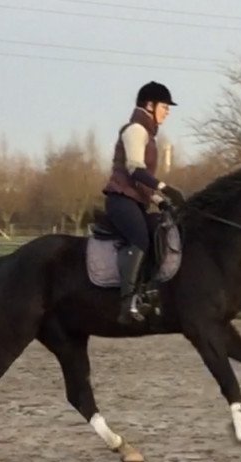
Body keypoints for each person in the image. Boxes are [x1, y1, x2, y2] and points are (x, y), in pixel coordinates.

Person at [102, 81, 185, 325]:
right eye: (165, 107)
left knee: (159, 231)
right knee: (140, 238)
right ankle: (127, 303)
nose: (167, 112)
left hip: (135, 200)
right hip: (120, 199)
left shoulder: (148, 136)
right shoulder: (136, 130)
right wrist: (165, 188)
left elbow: (143, 186)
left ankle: (149, 292)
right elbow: (135, 170)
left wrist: (161, 202)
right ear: (150, 105)